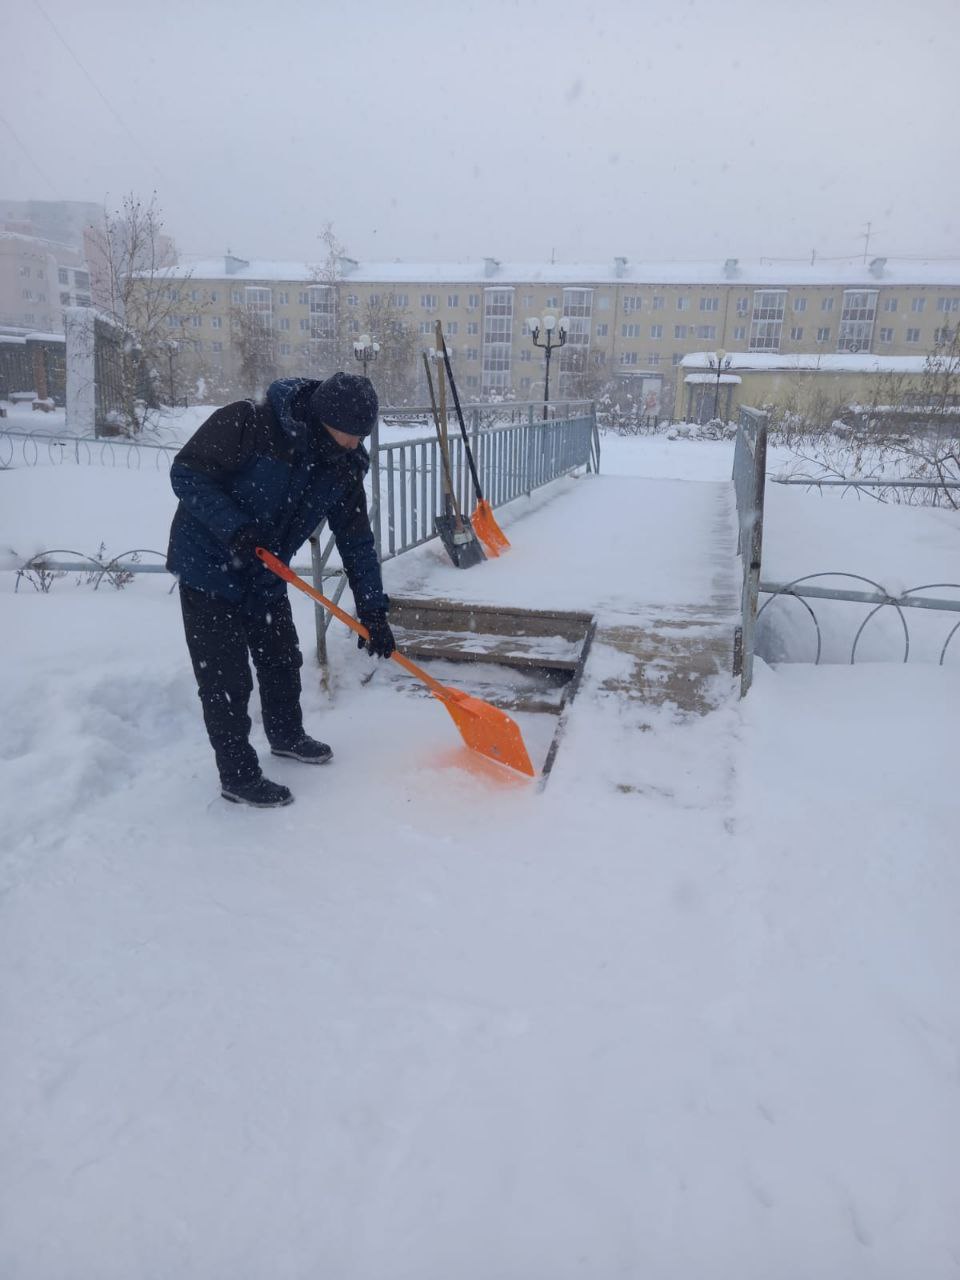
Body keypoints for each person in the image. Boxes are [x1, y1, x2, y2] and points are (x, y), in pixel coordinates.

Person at [166, 372, 395, 808]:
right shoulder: (251, 423)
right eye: (348, 434)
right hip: (210, 564)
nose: (353, 444)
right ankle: (237, 776)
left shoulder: (344, 465)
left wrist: (373, 610)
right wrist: (235, 528)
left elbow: (356, 539)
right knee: (226, 678)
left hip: (266, 569)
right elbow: (187, 472)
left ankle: (287, 735)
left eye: (360, 436)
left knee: (281, 657)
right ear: (323, 418)